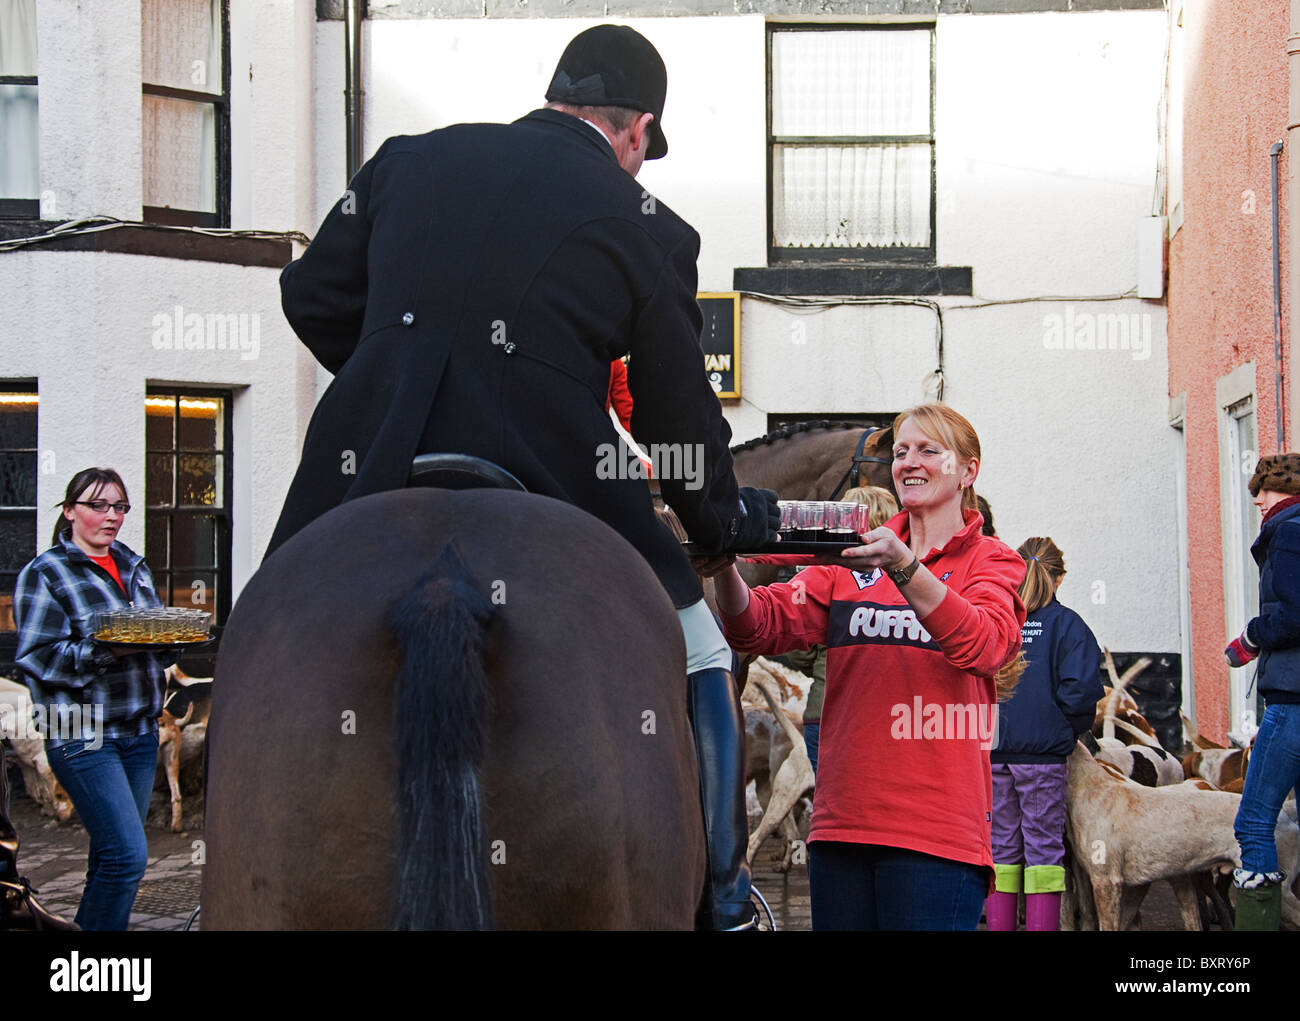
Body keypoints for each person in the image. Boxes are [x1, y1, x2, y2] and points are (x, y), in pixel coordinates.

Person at [264, 25, 778, 929]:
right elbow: (675, 418)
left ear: (554, 99)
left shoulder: (404, 160)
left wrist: (399, 371)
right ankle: (730, 902)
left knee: (265, 627)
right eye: (643, 152)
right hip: (559, 473)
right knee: (700, 649)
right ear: (637, 131)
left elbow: (311, 297)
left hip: (372, 463)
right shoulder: (647, 224)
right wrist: (717, 522)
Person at [701, 403, 1026, 930]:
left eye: (928, 450)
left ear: (969, 470)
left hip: (936, 836)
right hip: (841, 830)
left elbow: (984, 646)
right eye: (900, 452)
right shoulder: (852, 557)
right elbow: (757, 626)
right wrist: (725, 571)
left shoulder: (990, 561)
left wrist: (903, 566)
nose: (908, 461)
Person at [12, 468, 171, 931]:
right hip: (81, 733)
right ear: (69, 511)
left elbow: (156, 631)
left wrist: (170, 639)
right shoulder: (47, 573)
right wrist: (105, 650)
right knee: (127, 856)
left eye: (119, 506)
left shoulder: (132, 565)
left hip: (139, 731)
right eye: (97, 506)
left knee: (108, 860)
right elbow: (38, 657)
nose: (111, 516)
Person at [985, 537, 1102, 932]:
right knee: (1044, 852)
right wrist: (1064, 730)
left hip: (994, 753)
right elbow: (1081, 693)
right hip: (1043, 760)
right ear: (1061, 578)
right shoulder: (1069, 626)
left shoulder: (997, 619)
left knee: (1000, 849)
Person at [1227, 453, 1300, 930]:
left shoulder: (1290, 532)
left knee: (1252, 822)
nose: (1256, 498)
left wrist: (1250, 638)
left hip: (1293, 702)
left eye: (1263, 488)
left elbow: (1292, 614)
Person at [784, 485, 898, 777]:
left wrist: (822, 662)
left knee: (832, 798)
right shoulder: (904, 579)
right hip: (882, 714)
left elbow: (798, 648)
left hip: (822, 711)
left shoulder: (825, 574)